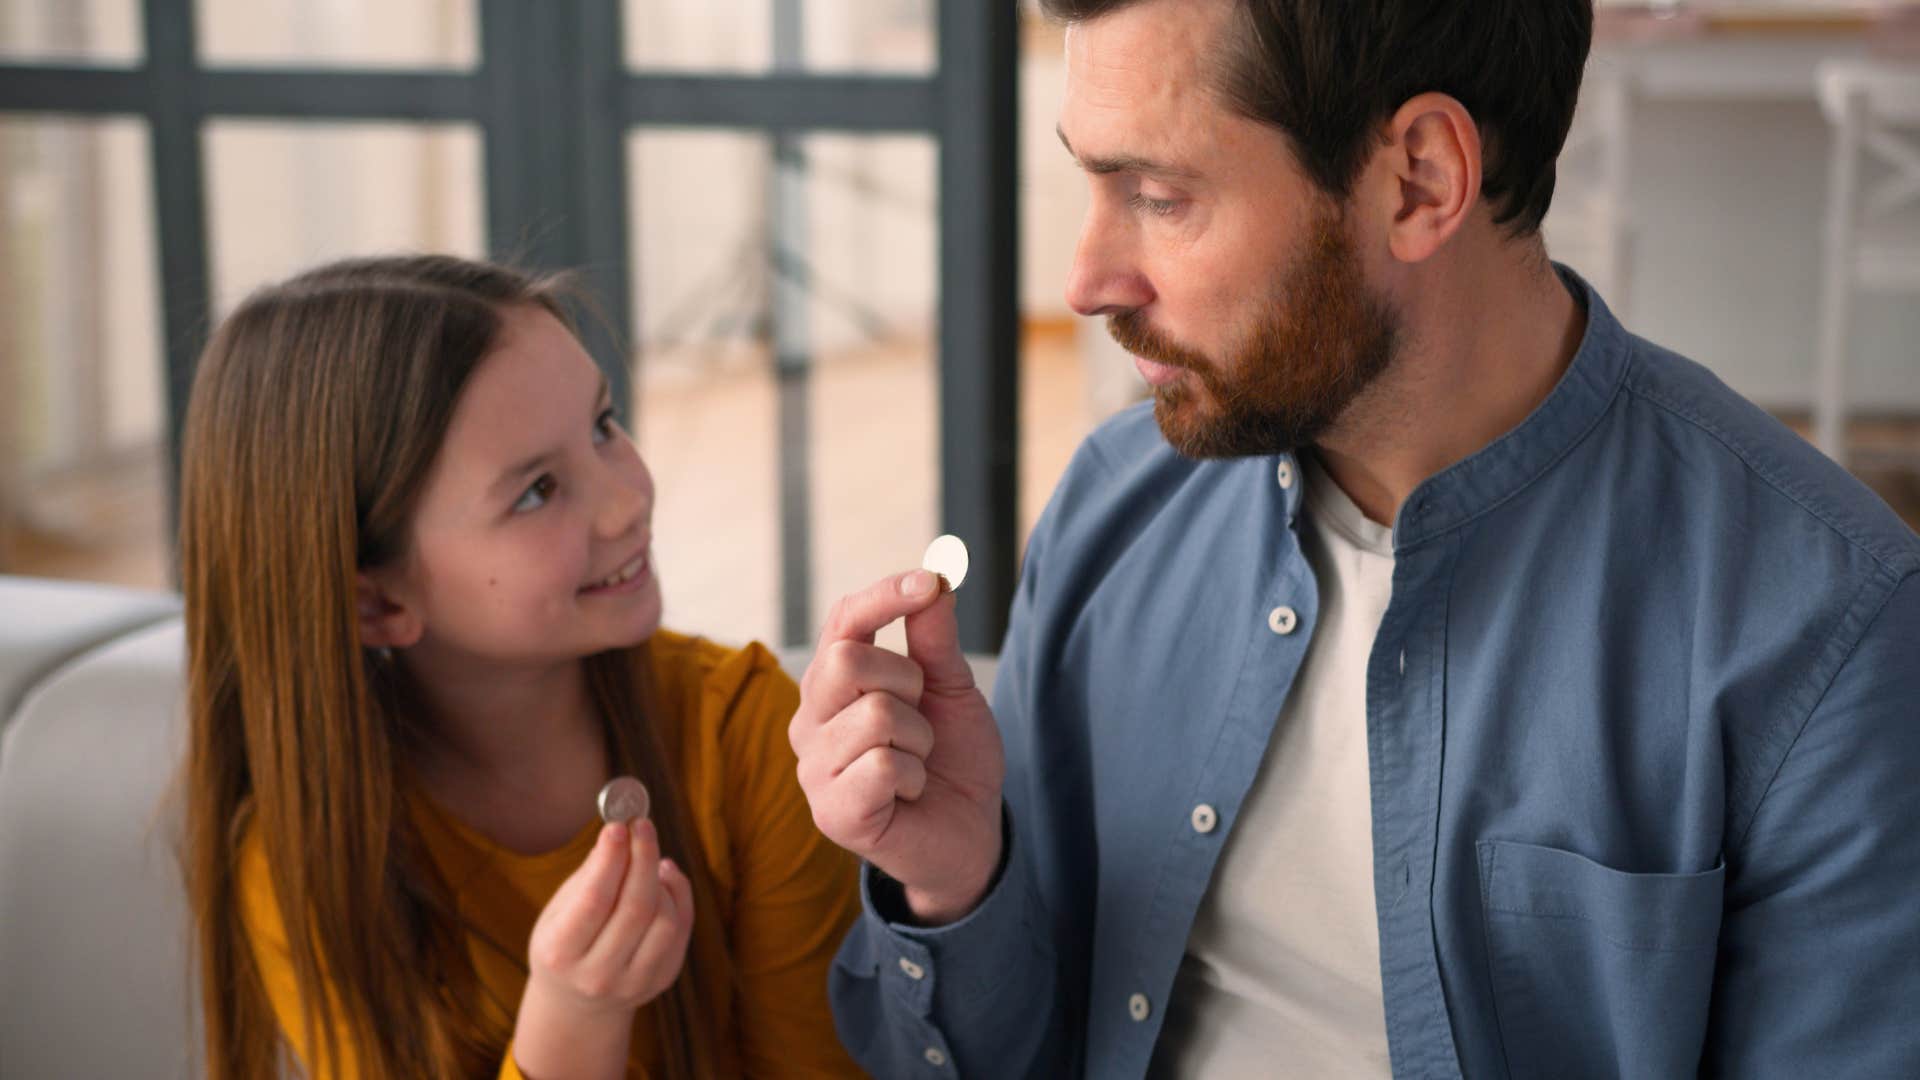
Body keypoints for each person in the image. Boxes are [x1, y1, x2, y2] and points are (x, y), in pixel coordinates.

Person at [788, 1, 1920, 1076]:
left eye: (1161, 194)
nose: (1085, 280)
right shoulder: (1112, 509)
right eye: (1092, 179)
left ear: (1420, 180)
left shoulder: (1826, 626)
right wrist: (954, 882)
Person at [179, 255, 864, 1080]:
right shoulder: (308, 860)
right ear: (373, 604)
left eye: (604, 425)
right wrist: (573, 1026)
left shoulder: (745, 729)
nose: (629, 500)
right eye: (537, 490)